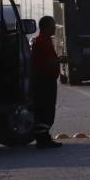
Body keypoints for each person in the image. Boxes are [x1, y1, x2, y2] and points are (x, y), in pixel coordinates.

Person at [30, 16, 62, 148]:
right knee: (46, 110)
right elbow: (45, 62)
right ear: (46, 27)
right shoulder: (42, 41)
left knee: (45, 110)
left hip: (46, 80)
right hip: (44, 81)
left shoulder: (44, 40)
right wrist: (59, 60)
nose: (54, 28)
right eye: (52, 25)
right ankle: (42, 139)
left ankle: (43, 136)